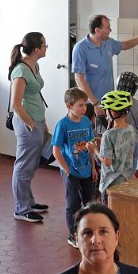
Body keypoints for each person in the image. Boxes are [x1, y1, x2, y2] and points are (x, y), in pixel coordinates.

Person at [71, 14, 138, 109]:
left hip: (108, 101)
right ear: (97, 30)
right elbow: (79, 79)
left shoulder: (108, 42)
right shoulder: (80, 48)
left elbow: (125, 45)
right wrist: (95, 104)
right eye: (108, 28)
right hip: (90, 104)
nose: (110, 30)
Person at [8, 31, 52, 224]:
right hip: (27, 124)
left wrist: (41, 122)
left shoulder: (34, 66)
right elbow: (16, 104)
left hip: (36, 121)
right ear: (36, 49)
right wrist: (32, 125)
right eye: (44, 45)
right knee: (23, 166)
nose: (46, 48)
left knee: (31, 164)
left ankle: (29, 202)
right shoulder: (21, 71)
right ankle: (22, 209)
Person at [51, 87, 98, 241]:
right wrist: (67, 170)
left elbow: (90, 145)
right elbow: (56, 151)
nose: (84, 108)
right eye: (80, 105)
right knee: (73, 204)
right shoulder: (62, 125)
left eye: (85, 104)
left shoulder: (86, 121)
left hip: (87, 170)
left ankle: (88, 229)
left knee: (89, 202)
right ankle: (73, 234)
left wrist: (93, 167)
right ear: (69, 106)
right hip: (71, 171)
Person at [97, 90, 138, 198]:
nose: (106, 113)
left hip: (110, 184)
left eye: (106, 110)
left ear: (113, 112)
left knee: (108, 209)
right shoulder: (131, 129)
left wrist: (94, 150)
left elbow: (107, 162)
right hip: (126, 181)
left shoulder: (108, 135)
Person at [116, 70, 138, 174]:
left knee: (117, 171)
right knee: (131, 170)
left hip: (118, 140)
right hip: (134, 140)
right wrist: (137, 139)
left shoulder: (114, 102)